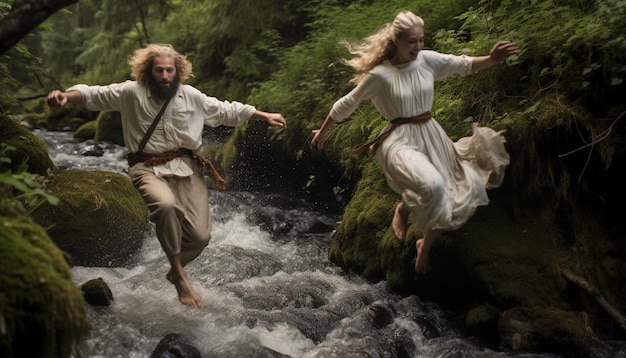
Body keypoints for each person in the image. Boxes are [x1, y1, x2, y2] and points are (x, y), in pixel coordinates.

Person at [47, 43, 286, 307]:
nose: (164, 75)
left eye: (169, 70)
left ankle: (174, 271)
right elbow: (94, 94)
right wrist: (66, 97)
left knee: (200, 237)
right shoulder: (131, 93)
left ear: (177, 71)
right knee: (166, 205)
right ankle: (180, 275)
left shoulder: (191, 96)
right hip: (146, 167)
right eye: (159, 70)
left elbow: (224, 110)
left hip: (186, 167)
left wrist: (262, 115)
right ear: (148, 71)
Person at [311, 11, 519, 274]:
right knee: (433, 186)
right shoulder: (380, 76)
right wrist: (323, 132)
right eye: (412, 41)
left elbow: (463, 64)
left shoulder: (427, 60)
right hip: (399, 142)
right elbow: (345, 105)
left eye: (421, 40)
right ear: (396, 41)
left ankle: (424, 244)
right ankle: (403, 209)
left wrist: (492, 59)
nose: (418, 46)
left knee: (451, 193)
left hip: (431, 135)